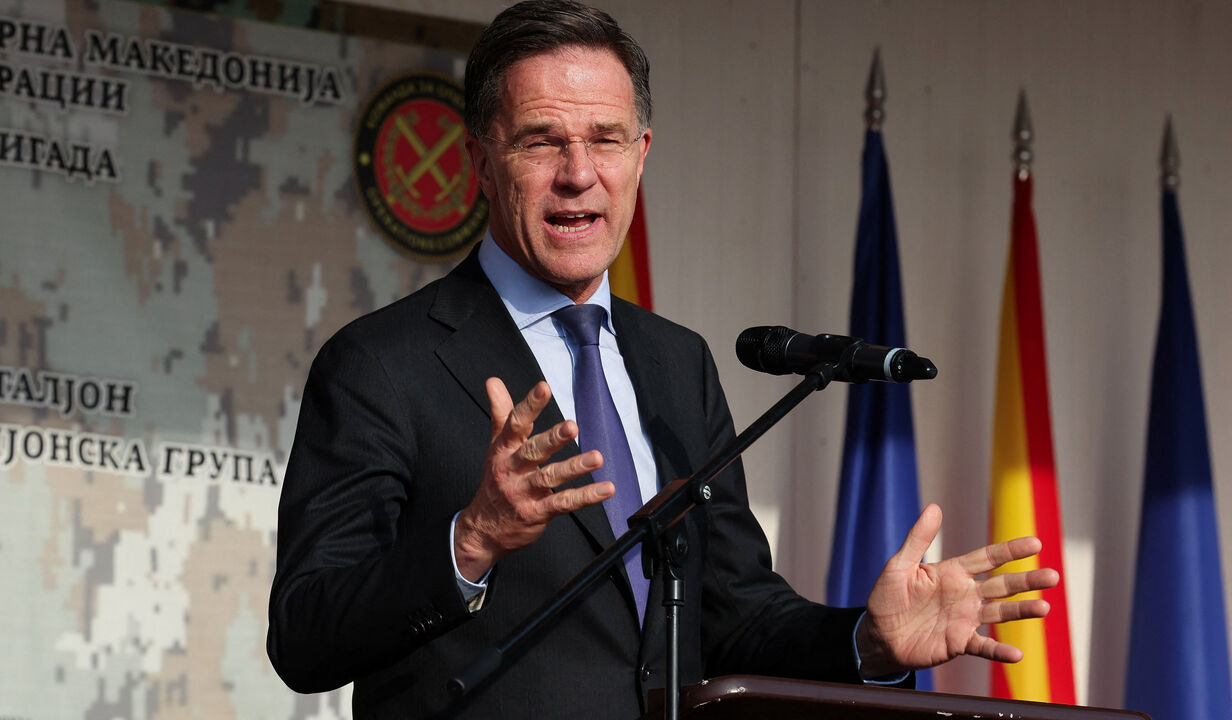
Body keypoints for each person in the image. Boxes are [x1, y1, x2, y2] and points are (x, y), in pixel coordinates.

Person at [266, 1, 1059, 717]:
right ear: (480, 159)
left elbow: (737, 614)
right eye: (543, 141)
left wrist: (868, 642)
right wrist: (468, 540)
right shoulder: (380, 364)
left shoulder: (679, 362)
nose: (579, 174)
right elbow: (305, 635)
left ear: (641, 154)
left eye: (605, 140)